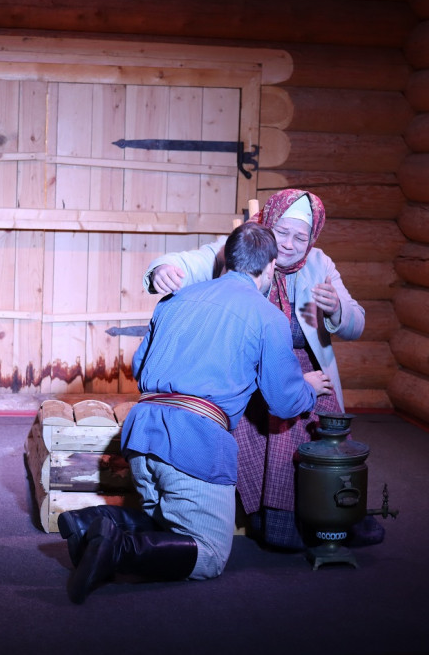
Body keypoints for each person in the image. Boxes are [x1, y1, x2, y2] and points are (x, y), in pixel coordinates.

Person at [62, 221, 332, 603]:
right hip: (194, 440)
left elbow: (140, 367)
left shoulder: (175, 300)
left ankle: (90, 522)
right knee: (209, 555)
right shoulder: (268, 316)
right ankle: (116, 550)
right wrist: (309, 388)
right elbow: (284, 402)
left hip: (142, 432)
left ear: (227, 259)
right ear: (270, 266)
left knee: (167, 524)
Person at [145, 189, 376, 551]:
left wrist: (336, 311)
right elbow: (189, 262)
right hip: (248, 369)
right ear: (268, 224)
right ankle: (275, 521)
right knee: (267, 417)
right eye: (281, 232)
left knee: (320, 422)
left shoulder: (320, 264)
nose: (289, 244)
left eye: (301, 237)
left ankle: (336, 513)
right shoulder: (244, 247)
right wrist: (165, 270)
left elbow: (356, 323)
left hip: (303, 368)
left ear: (313, 238)